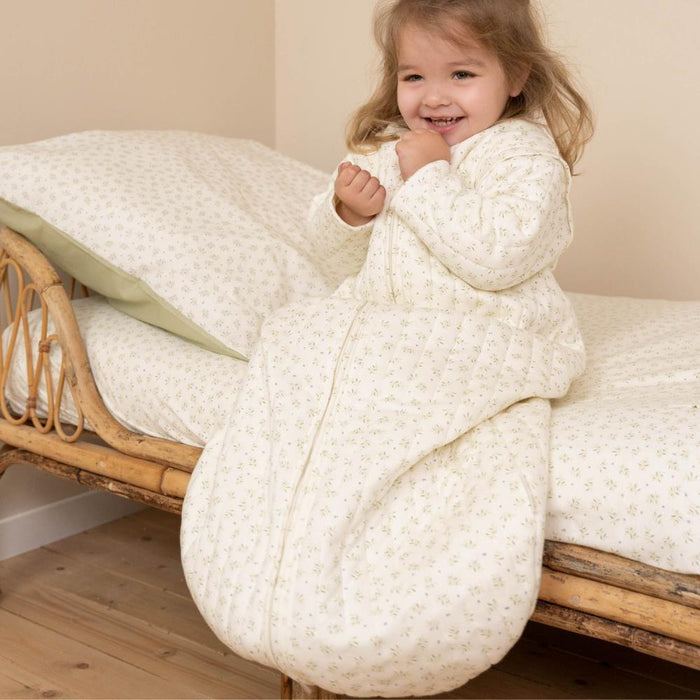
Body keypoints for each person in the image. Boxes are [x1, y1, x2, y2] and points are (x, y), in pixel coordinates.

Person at [309, 0, 594, 316]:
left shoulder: (522, 155)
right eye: (414, 77)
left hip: (484, 328)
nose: (434, 99)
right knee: (296, 328)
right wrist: (350, 214)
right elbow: (333, 264)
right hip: (385, 322)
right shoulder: (385, 147)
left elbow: (501, 261)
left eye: (461, 74)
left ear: (515, 76)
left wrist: (428, 176)